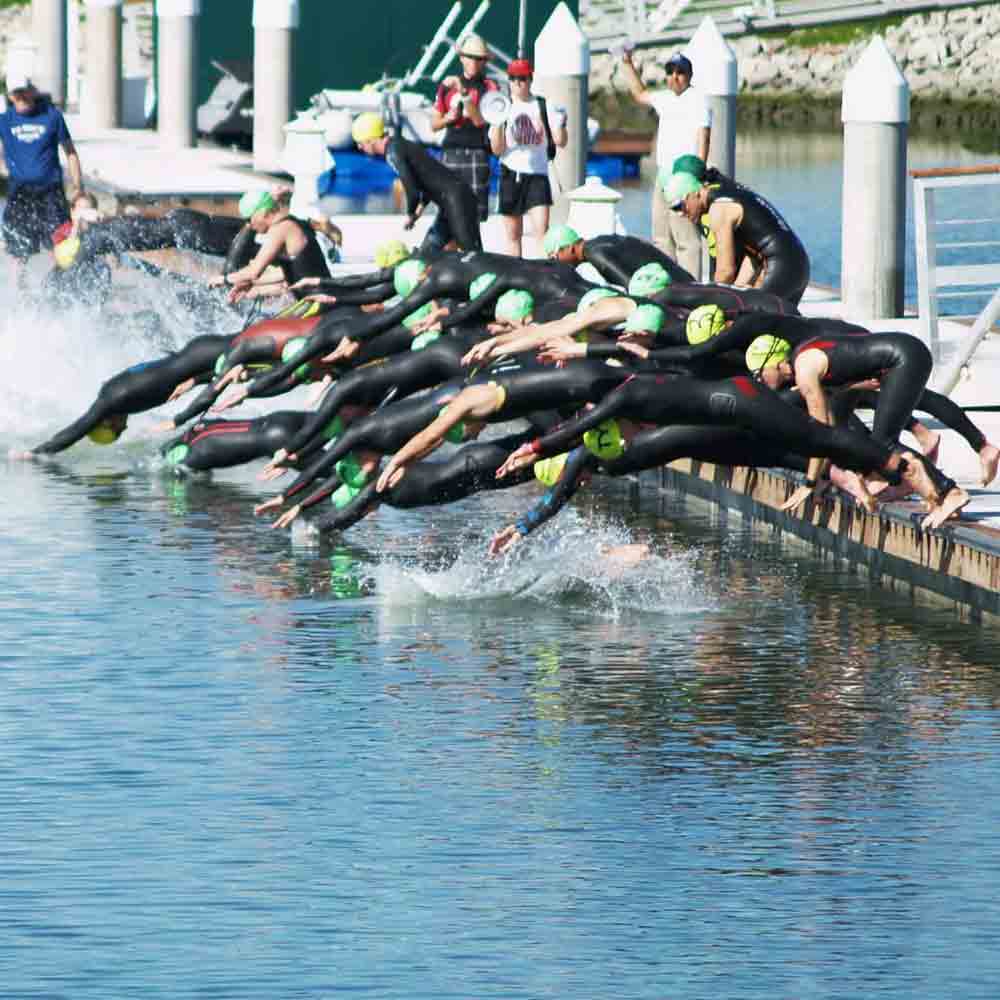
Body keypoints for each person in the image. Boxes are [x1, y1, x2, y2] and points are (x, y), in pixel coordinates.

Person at [619, 50, 710, 279]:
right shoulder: (665, 98)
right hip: (663, 175)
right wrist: (627, 63)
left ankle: (691, 287)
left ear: (689, 75)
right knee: (661, 236)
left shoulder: (698, 99)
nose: (675, 76)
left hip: (684, 176)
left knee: (686, 240)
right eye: (670, 72)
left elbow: (703, 136)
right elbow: (640, 94)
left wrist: (697, 176)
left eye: (681, 72)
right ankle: (668, 285)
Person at [665, 168, 810, 304]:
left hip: (782, 265)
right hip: (798, 263)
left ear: (693, 193)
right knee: (774, 324)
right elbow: (754, 251)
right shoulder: (726, 192)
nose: (681, 214)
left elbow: (725, 271)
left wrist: (709, 301)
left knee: (755, 323)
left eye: (679, 206)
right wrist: (740, 290)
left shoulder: (718, 210)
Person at [351, 112, 482, 255]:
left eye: (360, 143)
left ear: (371, 140)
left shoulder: (393, 152)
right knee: (427, 254)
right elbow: (429, 182)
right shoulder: (399, 145)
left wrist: (410, 213)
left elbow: (411, 188)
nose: (359, 147)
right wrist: (417, 213)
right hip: (450, 202)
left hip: (458, 201)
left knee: (472, 254)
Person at [0, 72, 82, 287]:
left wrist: (78, 188)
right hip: (20, 193)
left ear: (32, 91)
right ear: (10, 96)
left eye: (24, 92)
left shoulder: (52, 116)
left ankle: (62, 285)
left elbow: (70, 152)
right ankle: (20, 290)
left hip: (50, 192)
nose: (21, 98)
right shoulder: (4, 121)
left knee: (61, 243)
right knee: (18, 248)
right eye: (16, 94)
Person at [488, 59, 567, 257]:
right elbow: (496, 150)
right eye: (513, 78)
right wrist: (497, 123)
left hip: (537, 176)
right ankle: (516, 276)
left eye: (522, 78)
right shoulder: (502, 106)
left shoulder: (543, 104)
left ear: (530, 79)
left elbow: (560, 140)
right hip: (510, 174)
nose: (517, 83)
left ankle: (542, 277)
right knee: (513, 236)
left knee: (542, 231)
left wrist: (562, 123)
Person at [208, 187, 329, 302]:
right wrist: (251, 285)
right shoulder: (293, 223)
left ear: (263, 212)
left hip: (320, 302)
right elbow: (290, 272)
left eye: (249, 220)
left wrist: (223, 279)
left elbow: (253, 272)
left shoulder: (281, 229)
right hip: (319, 297)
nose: (250, 226)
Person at [432, 33, 498, 225]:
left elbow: (479, 121)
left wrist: (463, 93)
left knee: (474, 214)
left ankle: (471, 253)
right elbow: (434, 125)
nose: (474, 62)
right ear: (462, 58)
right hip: (451, 151)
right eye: (470, 57)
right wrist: (447, 118)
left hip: (477, 153)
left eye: (480, 59)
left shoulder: (489, 87)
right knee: (447, 212)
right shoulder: (446, 87)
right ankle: (449, 253)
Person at [543, 224, 695, 286]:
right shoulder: (598, 243)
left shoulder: (595, 253)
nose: (556, 263)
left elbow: (633, 286)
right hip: (682, 281)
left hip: (678, 287)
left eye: (554, 257)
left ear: (568, 248)